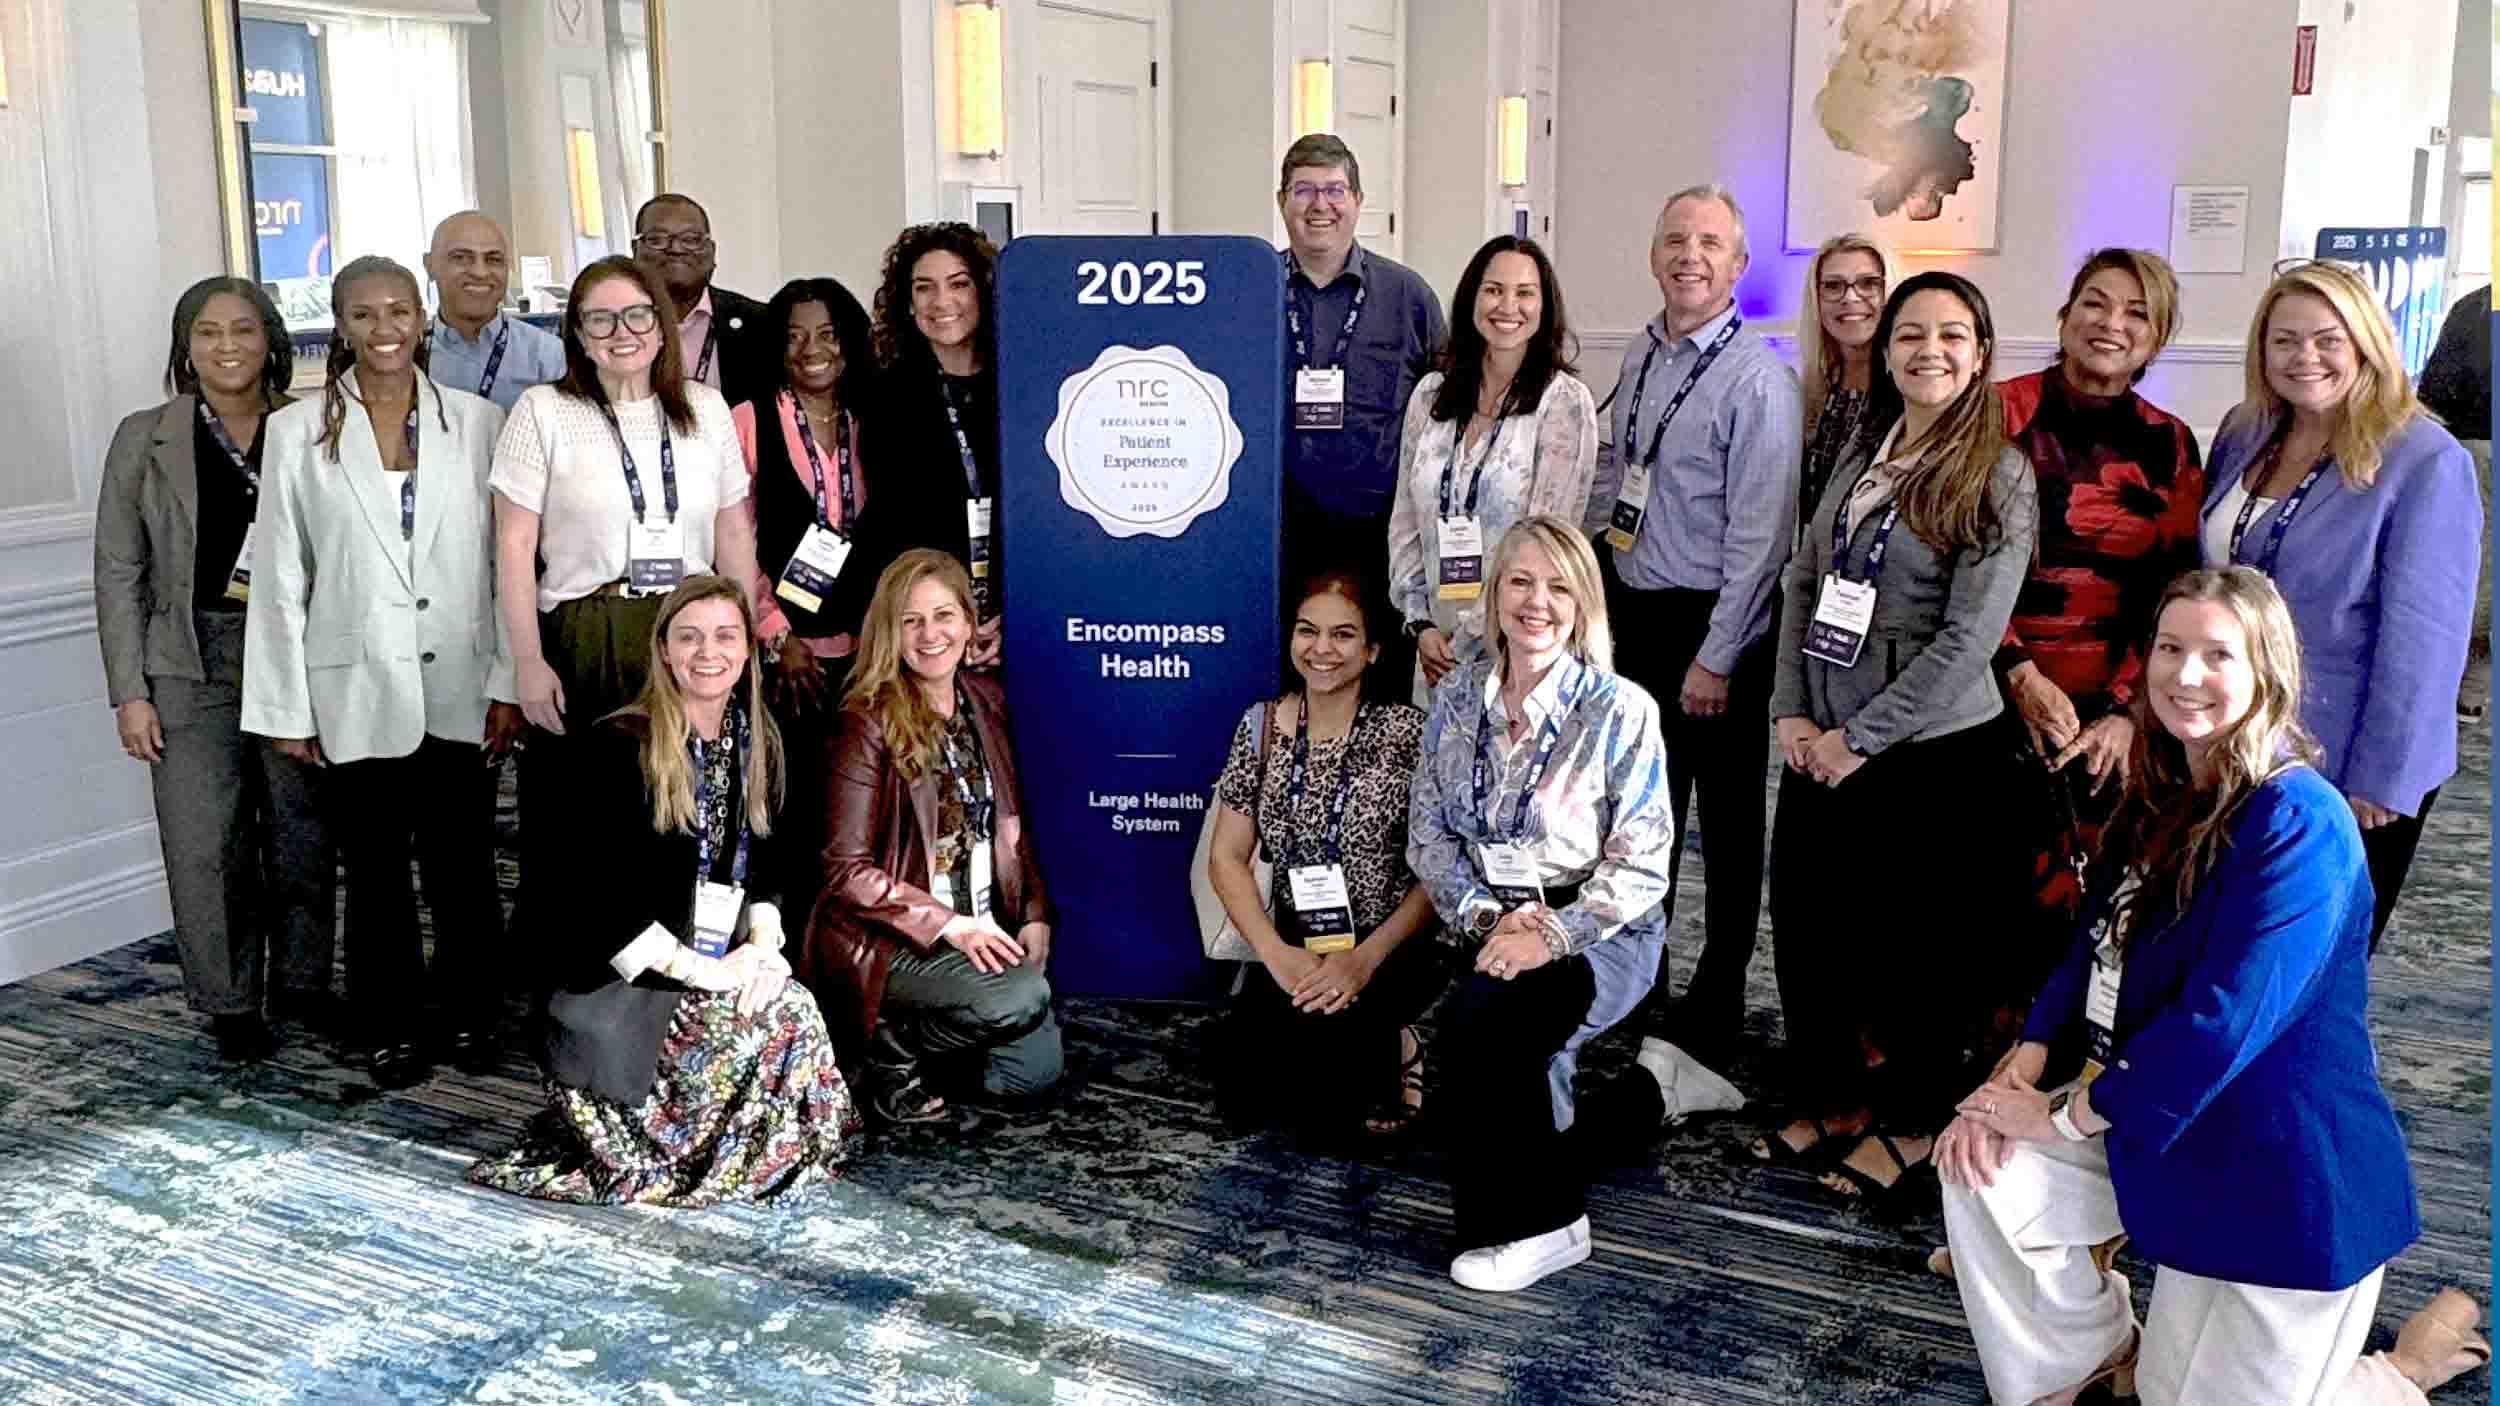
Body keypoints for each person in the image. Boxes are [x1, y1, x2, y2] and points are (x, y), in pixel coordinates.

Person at [1941, 567, 2485, 1406]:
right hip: (2181, 1136)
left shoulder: (2302, 821)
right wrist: (2028, 1057)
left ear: (2268, 671)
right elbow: (2096, 941)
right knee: (1985, 1163)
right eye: (2170, 648)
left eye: (2217, 655)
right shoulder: (2166, 788)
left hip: (2284, 1184)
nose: (2185, 674)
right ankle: (2090, 1368)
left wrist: (2060, 1116)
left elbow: (2219, 1023)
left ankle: (2401, 1372)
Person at [1762, 271, 2039, 1203]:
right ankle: (1838, 1100)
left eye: (1952, 335)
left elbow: (1969, 640)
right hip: (1822, 737)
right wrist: (1791, 711)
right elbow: (1805, 580)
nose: (1930, 351)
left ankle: (1915, 1124)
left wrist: (1861, 739)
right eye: (1911, 334)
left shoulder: (1999, 472)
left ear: (1981, 353)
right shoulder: (1866, 451)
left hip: (1931, 757)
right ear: (1884, 353)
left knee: (1920, 954)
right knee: (1813, 930)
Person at [468, 575, 858, 1205]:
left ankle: (748, 1149)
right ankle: (677, 1142)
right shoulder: (617, 747)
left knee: (792, 1006)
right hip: (617, 983)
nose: (709, 652)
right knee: (764, 1025)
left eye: (726, 636)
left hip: (711, 957)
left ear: (748, 648)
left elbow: (769, 864)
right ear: (665, 651)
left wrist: (761, 947)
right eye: (690, 637)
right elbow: (592, 906)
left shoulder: (755, 740)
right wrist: (707, 973)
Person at [243, 254, 522, 1088]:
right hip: (354, 684)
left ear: (422, 316)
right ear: (340, 325)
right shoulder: (296, 431)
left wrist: (508, 680)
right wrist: (286, 709)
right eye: (363, 314)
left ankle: (472, 1011)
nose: (384, 329)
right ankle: (388, 1022)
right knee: (373, 872)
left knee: (463, 865)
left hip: (462, 679)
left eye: (398, 310)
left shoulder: (477, 422)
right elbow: (280, 576)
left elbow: (505, 566)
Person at [1408, 515, 1675, 1293]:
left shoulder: (1622, 709)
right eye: (1521, 581)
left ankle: (1549, 1226)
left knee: (1489, 1025)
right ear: (1494, 594)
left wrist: (1551, 935)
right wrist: (1486, 917)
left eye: (1559, 587)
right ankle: (1649, 1096)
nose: (1537, 602)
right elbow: (1428, 835)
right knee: (1489, 1033)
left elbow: (1642, 866)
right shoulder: (1458, 696)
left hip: (1600, 928)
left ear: (1584, 603)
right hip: (1490, 915)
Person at [2199, 261, 2481, 949]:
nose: (2306, 357)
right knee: (2226, 944)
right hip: (2238, 740)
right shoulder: (2246, 431)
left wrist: (2385, 777)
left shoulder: (2423, 457)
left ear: (2366, 343)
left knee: (2311, 959)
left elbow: (2425, 635)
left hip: (2347, 755)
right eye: (2285, 340)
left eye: (2329, 339)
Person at [1582, 183, 1803, 1057]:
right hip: (1636, 613)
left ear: (1739, 265)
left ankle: (1717, 1003)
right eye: (1676, 239)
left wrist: (1717, 656)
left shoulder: (1759, 380)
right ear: (1654, 253)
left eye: (1710, 243)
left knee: (1731, 824)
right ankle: (1640, 981)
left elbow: (1763, 538)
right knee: (1645, 813)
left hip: (1718, 627)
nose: (1690, 256)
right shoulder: (1643, 354)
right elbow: (1618, 475)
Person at [93, 276, 335, 1062]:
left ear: (271, 340)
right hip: (188, 658)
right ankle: (230, 1001)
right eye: (207, 332)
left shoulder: (311, 426)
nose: (226, 346)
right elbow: (118, 569)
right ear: (185, 346)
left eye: (243, 329)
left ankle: (303, 985)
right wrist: (130, 693)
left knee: (301, 829)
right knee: (207, 843)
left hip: (296, 654)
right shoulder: (144, 437)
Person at [491, 255, 761, 952]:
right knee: (584, 807)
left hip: (692, 632)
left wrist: (747, 640)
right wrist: (526, 662)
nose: (623, 332)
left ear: (662, 326)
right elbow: (514, 547)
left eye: (638, 315)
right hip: (591, 630)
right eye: (601, 319)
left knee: (690, 798)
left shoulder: (704, 409)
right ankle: (577, 970)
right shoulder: (543, 411)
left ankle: (689, 953)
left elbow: (734, 531)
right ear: (577, 335)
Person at [1993, 248, 2205, 979]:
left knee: (2089, 902)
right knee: (1982, 893)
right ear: (2064, 316)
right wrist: (2018, 674)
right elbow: (1953, 560)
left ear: (2157, 337)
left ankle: (2057, 1043)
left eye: (2137, 313)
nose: (2112, 323)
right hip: (1989, 685)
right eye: (2095, 302)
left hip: (2112, 714)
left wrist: (2124, 710)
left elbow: (2173, 589)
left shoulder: (2170, 440)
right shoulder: (1999, 412)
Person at [803, 550, 1061, 1124]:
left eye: (944, 616)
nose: (930, 635)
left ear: (969, 624)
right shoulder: (865, 720)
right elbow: (845, 869)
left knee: (1031, 1074)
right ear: (890, 632)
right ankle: (885, 1049)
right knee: (1020, 997)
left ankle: (905, 1046)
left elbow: (1012, 821)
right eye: (911, 621)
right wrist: (949, 925)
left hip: (978, 926)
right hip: (893, 939)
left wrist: (1035, 912)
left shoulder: (985, 699)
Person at [1204, 570, 1442, 1138]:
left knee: (1335, 1121)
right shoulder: (1261, 725)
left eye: (1343, 634)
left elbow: (1437, 872)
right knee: (1243, 1102)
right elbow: (1226, 857)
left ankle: (1402, 1039)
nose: (1322, 649)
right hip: (1295, 941)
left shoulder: (1410, 733)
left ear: (1373, 650)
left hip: (1388, 943)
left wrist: (1364, 959)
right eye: (1308, 631)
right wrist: (1275, 954)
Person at [1388, 235, 1598, 703]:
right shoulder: (1430, 394)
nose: (1508, 306)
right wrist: (1420, 623)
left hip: (1518, 643)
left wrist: (1467, 638)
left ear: (1545, 307)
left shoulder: (1563, 402)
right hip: (1434, 647)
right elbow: (1404, 519)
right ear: (1471, 298)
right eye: (1493, 290)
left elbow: (1546, 545)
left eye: (1525, 293)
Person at [735, 276, 884, 916]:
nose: (811, 350)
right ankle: (790, 942)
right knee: (790, 814)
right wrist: (775, 634)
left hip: (870, 651)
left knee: (860, 807)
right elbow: (734, 542)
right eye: (794, 337)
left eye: (826, 334)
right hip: (786, 658)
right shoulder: (749, 421)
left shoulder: (875, 417)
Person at [1277, 134, 1446, 694]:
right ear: (1282, 201)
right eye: (1304, 190)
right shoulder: (1252, 293)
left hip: (1378, 531)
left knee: (1380, 684)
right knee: (1288, 677)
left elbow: (1447, 406)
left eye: (1334, 190)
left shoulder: (1407, 296)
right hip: (1278, 533)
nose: (1319, 205)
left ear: (1358, 200)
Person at [850, 224, 1009, 669]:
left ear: (985, 292)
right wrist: (952, 622)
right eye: (924, 288)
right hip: (927, 625)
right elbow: (894, 522)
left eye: (959, 284)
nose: (941, 301)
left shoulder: (1020, 384)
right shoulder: (885, 393)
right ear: (907, 301)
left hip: (1017, 613)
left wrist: (1007, 616)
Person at [2416, 283, 2490, 720]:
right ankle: (2470, 697)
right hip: (2475, 456)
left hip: (2471, 454)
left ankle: (2458, 697)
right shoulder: (2474, 307)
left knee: (2472, 584)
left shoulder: (2475, 306)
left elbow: (2434, 395)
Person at [1795, 234, 1895, 533]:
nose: (1850, 298)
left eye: (1868, 283)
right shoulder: (1808, 392)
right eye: (1833, 286)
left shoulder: (1909, 395)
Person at [633, 193, 768, 407]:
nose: (676, 249)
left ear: (712, 252)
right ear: (635, 251)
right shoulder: (611, 325)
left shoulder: (762, 324)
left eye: (691, 240)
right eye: (657, 239)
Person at [423, 210, 565, 412]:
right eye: (461, 258)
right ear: (429, 266)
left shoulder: (547, 356)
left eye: (493, 259)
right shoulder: (409, 353)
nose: (480, 272)